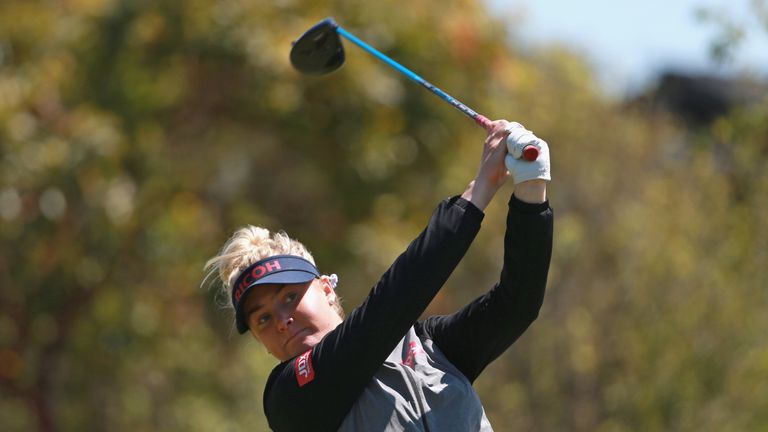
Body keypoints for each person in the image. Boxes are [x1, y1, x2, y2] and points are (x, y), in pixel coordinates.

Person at [204, 120, 553, 431]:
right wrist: (479, 191)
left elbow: (518, 303)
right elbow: (387, 310)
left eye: (289, 297)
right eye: (263, 319)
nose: (281, 320)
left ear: (326, 288)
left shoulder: (427, 348)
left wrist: (530, 190)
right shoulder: (288, 399)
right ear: (262, 343)